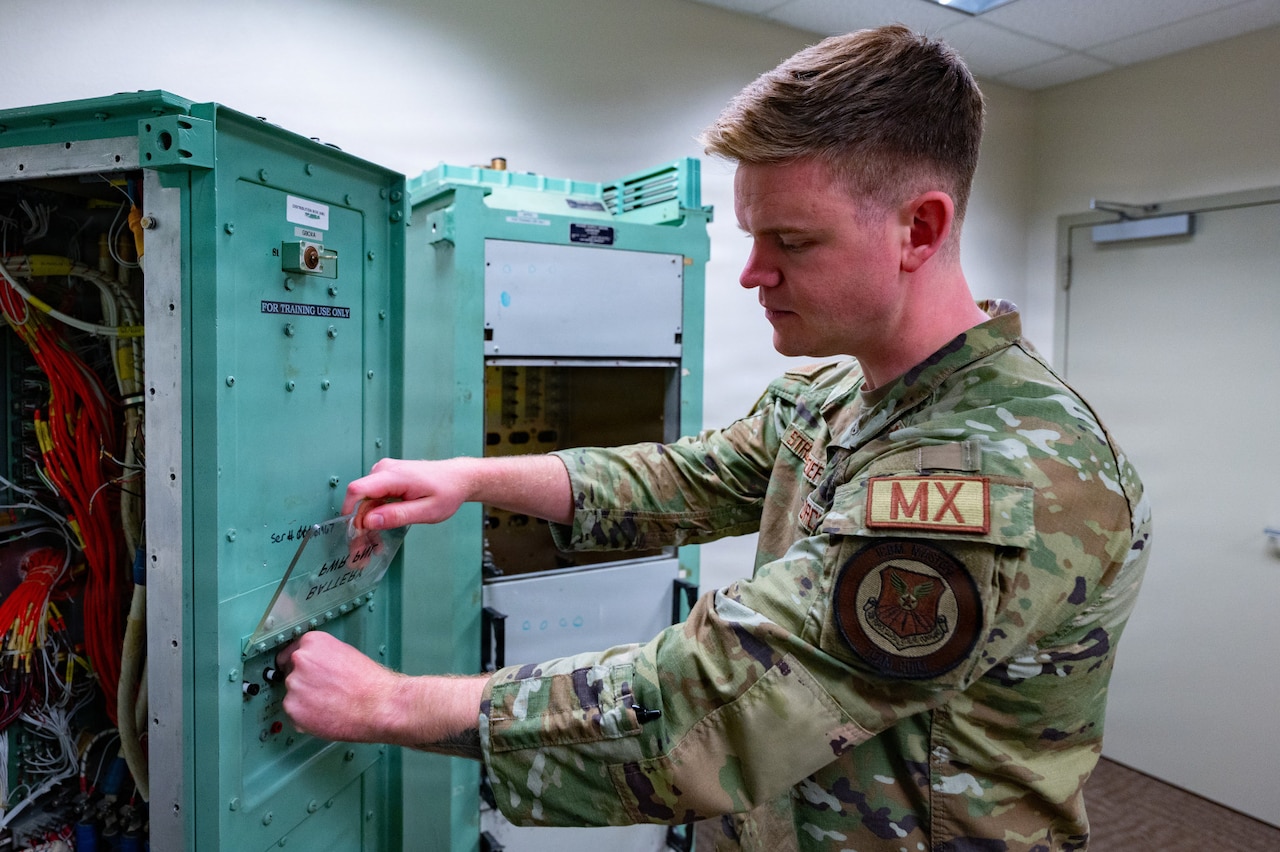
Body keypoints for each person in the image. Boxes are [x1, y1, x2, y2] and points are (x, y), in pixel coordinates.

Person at [276, 24, 1151, 851]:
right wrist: (473, 477)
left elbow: (720, 700)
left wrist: (391, 705)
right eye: (751, 235)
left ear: (917, 230)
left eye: (793, 241)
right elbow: (683, 479)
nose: (751, 273)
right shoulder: (841, 392)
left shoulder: (996, 470)